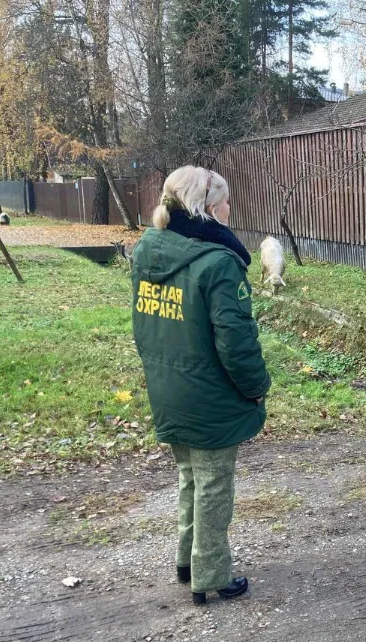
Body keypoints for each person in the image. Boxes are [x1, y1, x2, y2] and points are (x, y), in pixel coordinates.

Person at [131, 165, 271, 605]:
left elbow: (142, 328)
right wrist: (256, 386)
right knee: (214, 487)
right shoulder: (219, 264)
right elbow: (237, 342)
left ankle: (187, 560)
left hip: (168, 387)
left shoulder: (147, 251)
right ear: (211, 209)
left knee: (190, 477)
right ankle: (211, 575)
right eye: (226, 201)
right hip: (210, 397)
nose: (231, 207)